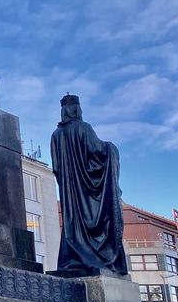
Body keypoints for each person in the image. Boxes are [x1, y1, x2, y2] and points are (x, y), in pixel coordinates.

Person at [50, 94, 127, 275]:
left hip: (70, 192)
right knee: (95, 221)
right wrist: (111, 147)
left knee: (73, 223)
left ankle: (75, 257)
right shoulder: (84, 128)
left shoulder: (55, 135)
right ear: (77, 109)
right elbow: (98, 151)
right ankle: (96, 257)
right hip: (87, 192)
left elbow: (57, 168)